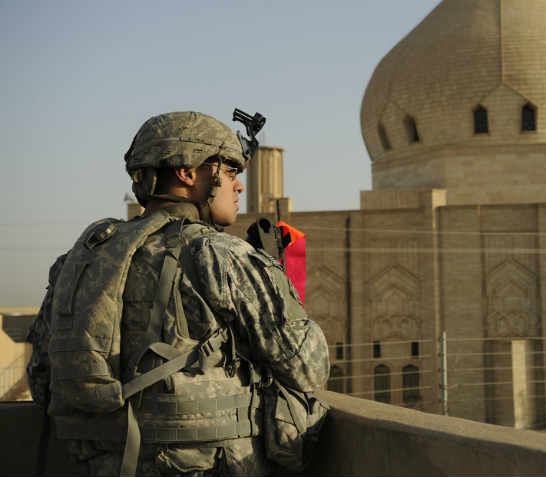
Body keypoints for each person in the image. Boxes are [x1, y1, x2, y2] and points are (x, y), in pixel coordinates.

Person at [26, 111, 329, 476]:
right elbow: (308, 368)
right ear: (188, 173)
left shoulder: (79, 262)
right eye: (230, 172)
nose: (239, 187)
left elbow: (43, 381)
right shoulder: (220, 255)